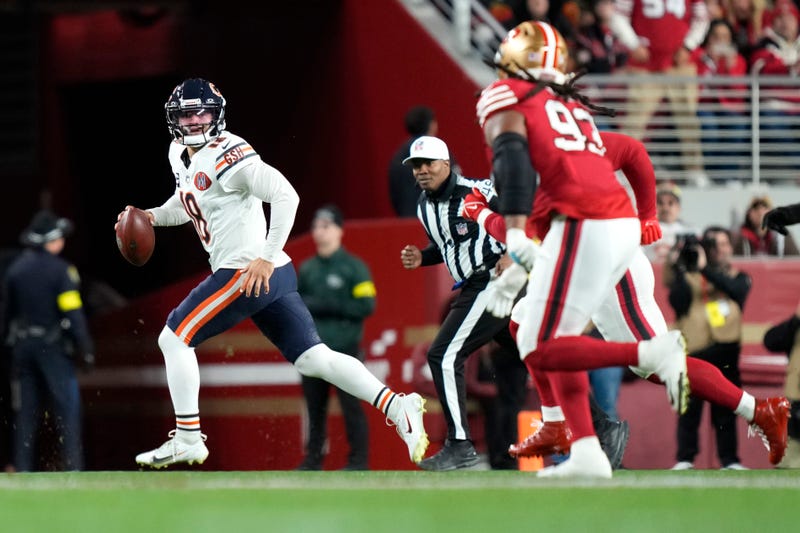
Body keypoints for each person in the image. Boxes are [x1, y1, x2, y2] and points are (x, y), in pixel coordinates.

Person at [471, 21, 789, 477]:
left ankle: (751, 408)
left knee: (567, 347)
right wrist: (514, 261)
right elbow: (540, 212)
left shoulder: (514, 106)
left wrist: (647, 217)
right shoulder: (564, 118)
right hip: (586, 228)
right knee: (527, 327)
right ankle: (573, 439)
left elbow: (539, 181)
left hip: (597, 235)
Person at [122, 78, 428, 469]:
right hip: (268, 274)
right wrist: (150, 217)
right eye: (187, 114)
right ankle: (398, 407)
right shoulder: (179, 152)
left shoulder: (229, 153)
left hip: (247, 270)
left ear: (217, 114)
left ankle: (187, 438)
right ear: (174, 119)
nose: (196, 121)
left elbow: (286, 195)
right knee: (314, 359)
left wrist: (265, 256)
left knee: (174, 337)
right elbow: (189, 205)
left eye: (203, 113)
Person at [398, 135, 524, 471]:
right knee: (538, 353)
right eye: (416, 166)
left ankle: (459, 444)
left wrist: (513, 255)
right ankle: (600, 428)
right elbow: (447, 245)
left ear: (446, 164)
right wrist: (421, 258)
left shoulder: (476, 190)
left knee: (442, 354)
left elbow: (518, 219)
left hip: (494, 280)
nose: (422, 171)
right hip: (475, 284)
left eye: (428, 164)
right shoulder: (424, 205)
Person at [1, 210, 95, 471]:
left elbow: (6, 315)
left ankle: (22, 468)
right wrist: (85, 348)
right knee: (67, 408)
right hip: (52, 348)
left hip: (22, 350)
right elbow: (73, 313)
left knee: (25, 414)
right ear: (52, 240)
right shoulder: (60, 271)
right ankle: (73, 465)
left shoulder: (15, 271)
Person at [295, 205, 376, 471]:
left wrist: (329, 305)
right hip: (313, 351)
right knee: (314, 409)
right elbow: (296, 305)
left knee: (352, 407)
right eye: (316, 226)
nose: (320, 231)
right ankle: (313, 460)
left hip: (345, 351)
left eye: (326, 226)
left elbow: (367, 305)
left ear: (339, 230)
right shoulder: (306, 269)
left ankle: (358, 462)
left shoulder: (355, 268)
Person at [664, 226, 751, 469]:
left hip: (726, 351)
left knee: (727, 406)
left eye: (724, 243)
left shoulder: (738, 276)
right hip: (695, 350)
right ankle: (685, 458)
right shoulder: (688, 278)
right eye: (714, 244)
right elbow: (677, 302)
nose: (719, 249)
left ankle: (729, 459)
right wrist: (680, 267)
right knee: (688, 408)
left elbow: (737, 292)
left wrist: (704, 269)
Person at [609, 0, 710, 184]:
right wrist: (633, 44)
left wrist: (688, 46)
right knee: (635, 121)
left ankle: (694, 170)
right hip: (645, 65)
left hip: (679, 63)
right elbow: (617, 16)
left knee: (688, 121)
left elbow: (702, 18)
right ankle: (621, 168)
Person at [763, 300, 800, 468]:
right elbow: (770, 341)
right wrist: (795, 320)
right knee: (787, 464)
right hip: (796, 405)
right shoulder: (795, 329)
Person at [388, 106, 441, 218]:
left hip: (407, 223)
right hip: (436, 221)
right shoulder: (438, 152)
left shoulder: (398, 157)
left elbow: (395, 195)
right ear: (431, 124)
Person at [643, 182, 699, 263]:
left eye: (670, 203)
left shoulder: (691, 231)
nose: (665, 208)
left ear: (679, 207)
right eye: (660, 203)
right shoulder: (643, 230)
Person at [733, 195, 800, 257]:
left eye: (765, 208)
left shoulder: (782, 237)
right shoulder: (739, 238)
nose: (760, 212)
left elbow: (795, 261)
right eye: (756, 208)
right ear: (749, 214)